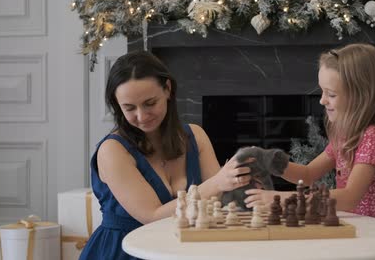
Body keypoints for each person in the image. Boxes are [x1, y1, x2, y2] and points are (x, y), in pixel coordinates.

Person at [243, 43, 375, 260]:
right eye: (322, 92)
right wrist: (269, 161)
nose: (322, 100)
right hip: (356, 229)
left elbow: (349, 198)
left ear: (361, 95)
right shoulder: (346, 135)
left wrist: (281, 199)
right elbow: (309, 174)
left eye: (331, 94)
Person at [80, 51, 251, 260]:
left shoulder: (195, 137)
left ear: (168, 89)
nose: (142, 116)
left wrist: (240, 185)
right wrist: (218, 183)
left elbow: (217, 200)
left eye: (150, 103)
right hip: (123, 252)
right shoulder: (113, 150)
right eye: (129, 108)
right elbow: (152, 217)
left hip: (182, 248)